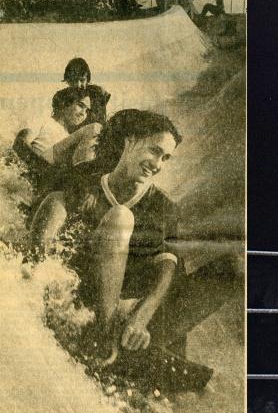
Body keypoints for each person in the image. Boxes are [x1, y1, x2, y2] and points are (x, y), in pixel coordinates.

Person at [29, 109, 212, 391]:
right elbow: (51, 209)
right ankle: (93, 330)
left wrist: (142, 317)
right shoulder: (88, 178)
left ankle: (112, 337)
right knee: (85, 209)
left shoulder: (162, 208)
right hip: (75, 284)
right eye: (154, 151)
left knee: (234, 267)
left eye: (165, 158)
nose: (158, 164)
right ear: (129, 141)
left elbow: (169, 271)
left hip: (120, 303)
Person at [14, 87, 101, 192]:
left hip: (53, 180)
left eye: (87, 111)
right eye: (80, 106)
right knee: (95, 128)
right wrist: (45, 170)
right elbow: (20, 143)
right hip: (42, 169)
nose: (83, 113)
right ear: (65, 103)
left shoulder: (69, 136)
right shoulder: (44, 120)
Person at [62, 58, 111, 126]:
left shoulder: (96, 93)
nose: (78, 84)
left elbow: (101, 121)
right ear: (68, 80)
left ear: (87, 79)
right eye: (75, 80)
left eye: (82, 80)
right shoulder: (62, 96)